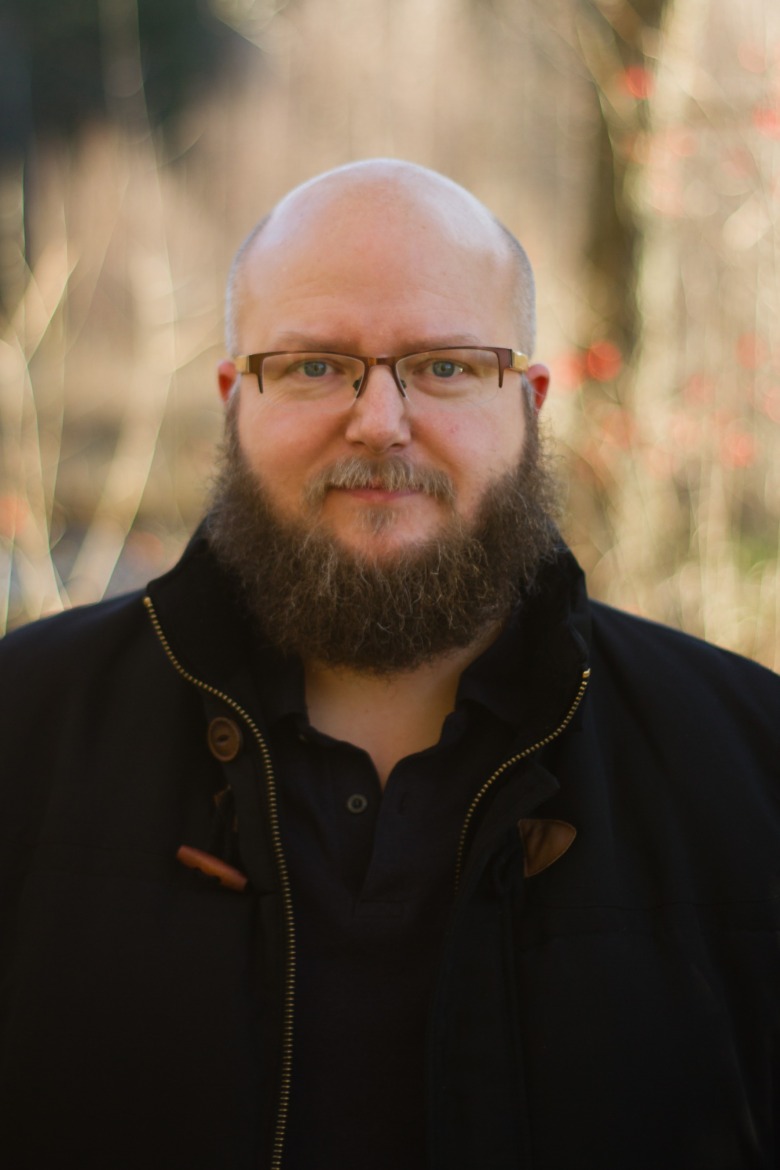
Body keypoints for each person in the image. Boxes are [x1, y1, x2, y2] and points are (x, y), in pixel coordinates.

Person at [0, 159, 778, 1170]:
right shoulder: (21, 732)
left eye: (446, 364)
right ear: (235, 397)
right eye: (316, 365)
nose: (379, 419)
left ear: (530, 402)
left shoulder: (750, 764)